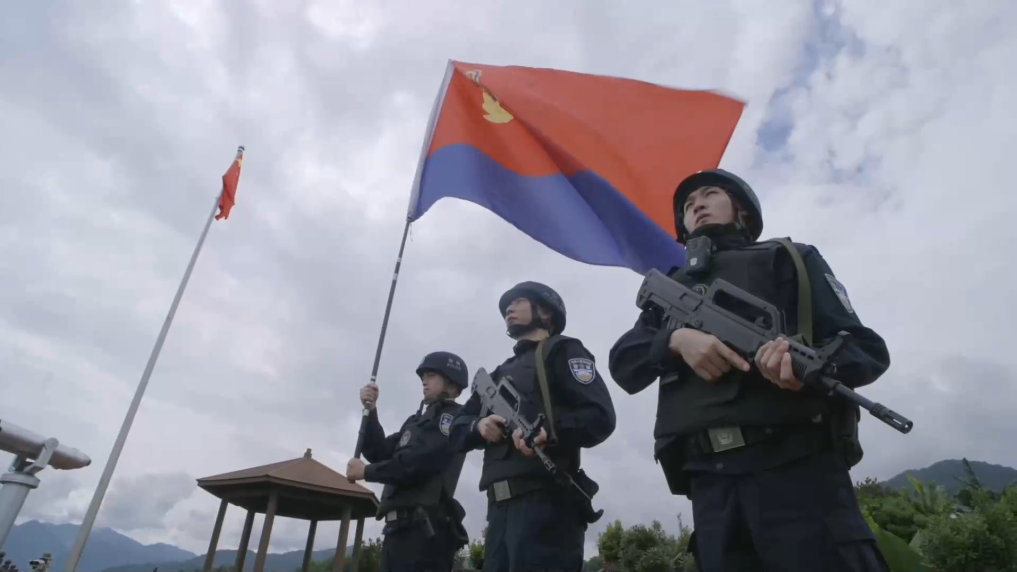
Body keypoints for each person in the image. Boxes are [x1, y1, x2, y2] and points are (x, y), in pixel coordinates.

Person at [608, 169, 892, 572]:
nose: (697, 205)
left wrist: (805, 364)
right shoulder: (673, 288)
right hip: (710, 487)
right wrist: (675, 341)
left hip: (798, 473)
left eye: (710, 195)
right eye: (688, 205)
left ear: (742, 209)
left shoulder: (789, 258)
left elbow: (866, 349)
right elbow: (624, 363)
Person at [449, 281, 617, 572]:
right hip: (498, 512)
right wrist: (479, 426)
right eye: (505, 307)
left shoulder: (563, 351)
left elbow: (600, 416)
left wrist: (549, 432)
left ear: (546, 311)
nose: (508, 309)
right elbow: (456, 429)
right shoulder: (496, 375)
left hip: (546, 507)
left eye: (518, 301)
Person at [346, 351, 471, 572]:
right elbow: (380, 452)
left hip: (424, 532)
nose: (424, 381)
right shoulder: (416, 422)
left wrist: (366, 472)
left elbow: (416, 464)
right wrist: (371, 410)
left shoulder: (453, 419)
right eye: (423, 376)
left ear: (451, 384)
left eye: (431, 375)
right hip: (397, 531)